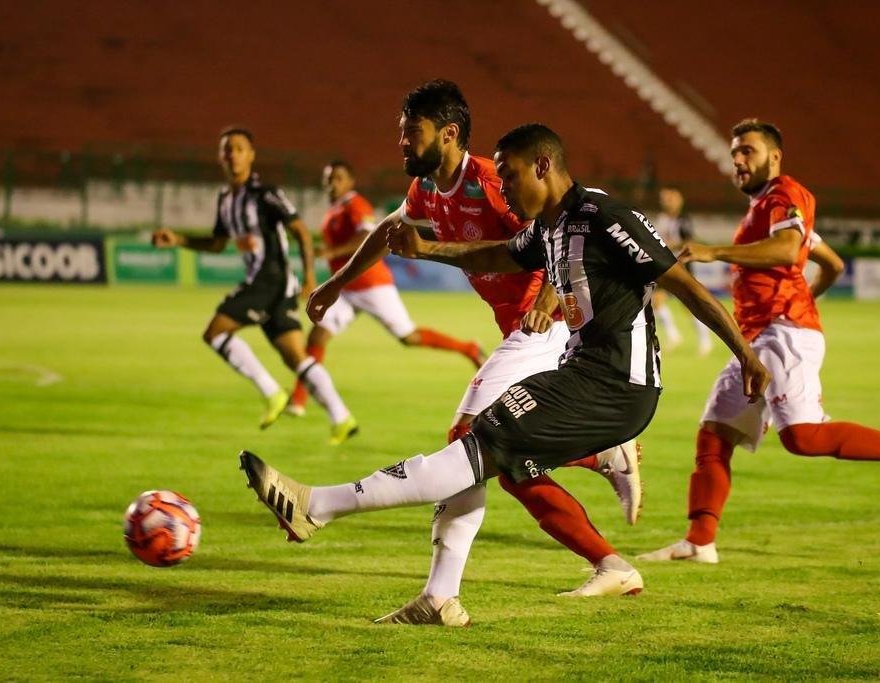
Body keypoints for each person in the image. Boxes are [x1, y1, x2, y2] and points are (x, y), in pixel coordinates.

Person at [240, 122, 771, 624]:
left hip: (617, 386)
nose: (506, 188)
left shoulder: (606, 217)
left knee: (479, 443)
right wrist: (427, 249)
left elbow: (689, 289)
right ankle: (442, 595)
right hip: (578, 375)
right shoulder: (550, 227)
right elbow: (493, 253)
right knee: (499, 460)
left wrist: (746, 356)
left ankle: (320, 506)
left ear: (543, 166)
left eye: (511, 174)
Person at [303, 82, 646, 621]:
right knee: (511, 466)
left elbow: (553, 233)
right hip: (518, 330)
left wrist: (548, 299)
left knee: (467, 440)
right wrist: (336, 285)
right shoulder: (425, 190)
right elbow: (389, 230)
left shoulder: (491, 181)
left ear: (448, 134)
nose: (401, 141)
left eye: (410, 131)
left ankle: (438, 593)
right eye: (400, 131)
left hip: (545, 328)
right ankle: (606, 545)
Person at [638, 119, 880, 565]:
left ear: (774, 157)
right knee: (715, 433)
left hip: (782, 334)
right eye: (735, 152)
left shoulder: (786, 195)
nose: (738, 160)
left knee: (803, 437)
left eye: (748, 151)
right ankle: (699, 541)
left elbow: (788, 251)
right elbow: (829, 264)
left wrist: (719, 254)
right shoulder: (766, 209)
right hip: (758, 336)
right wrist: (804, 298)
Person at [152, 127, 355, 443]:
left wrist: (310, 277)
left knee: (215, 332)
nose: (233, 154)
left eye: (239, 148)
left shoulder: (264, 193)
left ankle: (273, 392)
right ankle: (342, 417)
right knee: (295, 357)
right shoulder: (225, 199)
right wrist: (177, 239)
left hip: (269, 281)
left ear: (251, 155)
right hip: (271, 287)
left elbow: (301, 231)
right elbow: (218, 244)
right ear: (221, 157)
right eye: (227, 149)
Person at [285, 159, 485, 420]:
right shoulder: (333, 210)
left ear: (350, 182)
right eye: (328, 179)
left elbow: (366, 236)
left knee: (408, 337)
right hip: (346, 290)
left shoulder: (356, 205)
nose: (332, 184)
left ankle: (469, 348)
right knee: (317, 337)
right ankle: (298, 400)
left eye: (338, 178)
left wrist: (332, 252)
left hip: (371, 285)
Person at [651, 187, 712, 356]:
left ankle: (705, 340)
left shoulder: (683, 220)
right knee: (656, 301)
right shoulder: (662, 219)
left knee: (689, 306)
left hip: (682, 265)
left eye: (670, 199)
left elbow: (689, 241)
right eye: (664, 199)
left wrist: (672, 245)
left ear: (679, 202)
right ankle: (674, 335)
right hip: (665, 265)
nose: (666, 202)